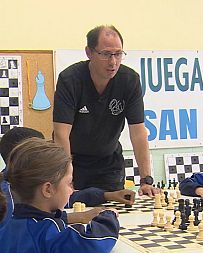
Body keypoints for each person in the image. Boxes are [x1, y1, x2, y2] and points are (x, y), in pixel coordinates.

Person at [0, 138, 163, 253]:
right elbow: (96, 243)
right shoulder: (47, 234)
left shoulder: (10, 223)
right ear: (47, 190)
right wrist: (108, 216)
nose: (72, 190)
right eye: (69, 183)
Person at [53, 24, 156, 197]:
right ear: (89, 52)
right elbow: (61, 134)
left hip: (109, 164)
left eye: (118, 54)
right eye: (106, 54)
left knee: (112, 217)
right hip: (74, 162)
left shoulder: (129, 80)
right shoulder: (70, 80)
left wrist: (146, 179)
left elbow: (138, 132)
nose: (113, 62)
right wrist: (66, 178)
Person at [0, 126, 136, 226]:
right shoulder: (7, 199)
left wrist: (108, 195)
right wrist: (77, 217)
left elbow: (70, 197)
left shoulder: (25, 186)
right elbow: (36, 222)